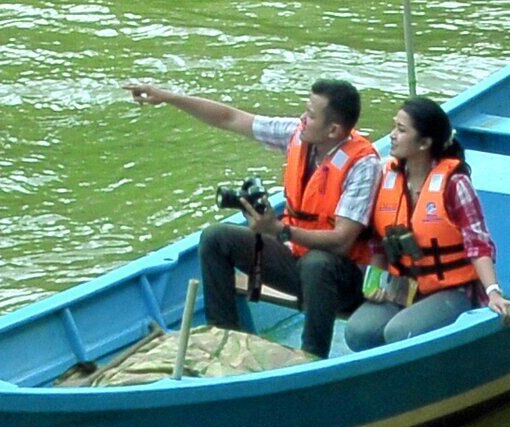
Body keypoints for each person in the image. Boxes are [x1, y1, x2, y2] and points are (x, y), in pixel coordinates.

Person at [125, 76, 378, 358]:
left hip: (343, 280)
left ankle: (311, 357)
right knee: (216, 238)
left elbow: (342, 241)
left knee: (317, 263)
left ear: (333, 130)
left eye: (310, 115)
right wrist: (168, 97)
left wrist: (280, 229)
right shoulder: (298, 135)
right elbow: (229, 118)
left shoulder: (362, 165)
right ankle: (224, 342)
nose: (302, 119)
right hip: (295, 257)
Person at [341, 96, 510, 351]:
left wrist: (493, 292)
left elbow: (478, 245)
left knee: (400, 333)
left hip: (452, 290)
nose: (392, 136)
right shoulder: (385, 176)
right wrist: (375, 283)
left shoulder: (455, 185)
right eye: (393, 127)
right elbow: (378, 243)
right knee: (358, 332)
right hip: (403, 286)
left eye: (401, 130)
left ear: (424, 143)